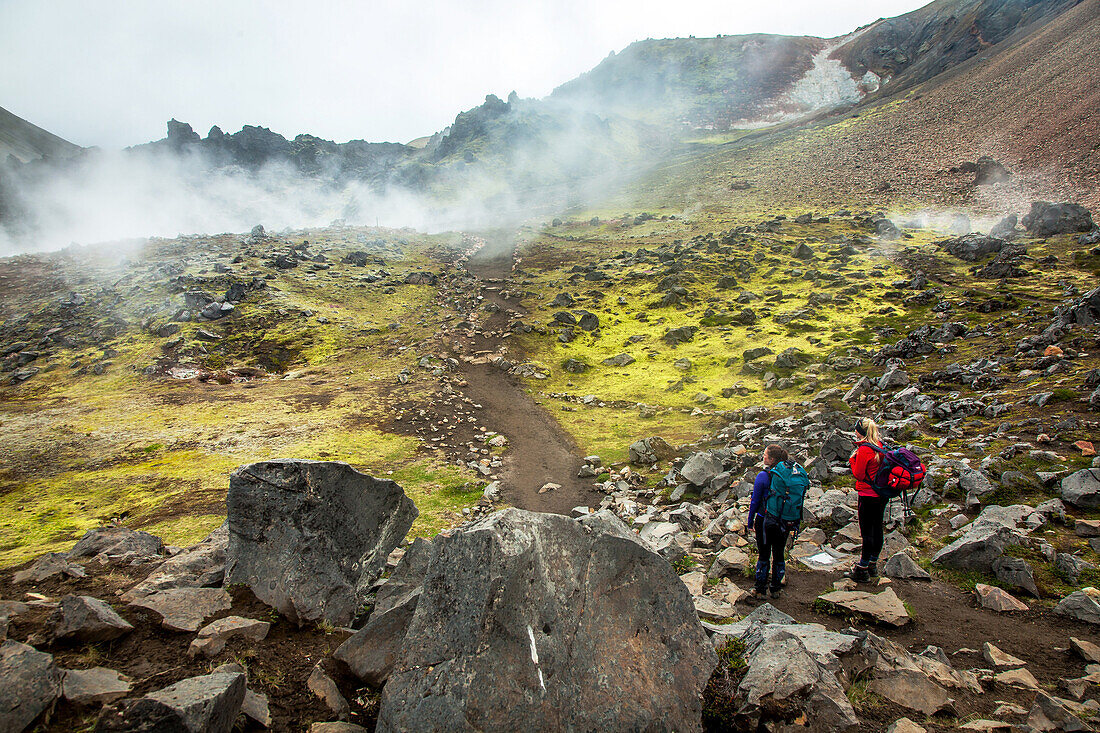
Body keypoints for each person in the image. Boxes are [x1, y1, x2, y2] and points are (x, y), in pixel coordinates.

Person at [746, 444, 807, 599]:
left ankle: (760, 589)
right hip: (785, 520)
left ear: (771, 459)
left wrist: (750, 520)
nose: (763, 456)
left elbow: (755, 501)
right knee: (779, 553)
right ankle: (776, 588)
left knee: (764, 554)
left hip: (764, 520)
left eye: (765, 454)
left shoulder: (763, 476)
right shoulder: (787, 476)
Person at [848, 417, 886, 583]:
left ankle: (862, 569)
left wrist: (852, 460)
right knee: (877, 528)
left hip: (867, 494)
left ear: (860, 432)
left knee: (867, 531)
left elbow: (859, 474)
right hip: (881, 494)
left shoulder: (864, 450)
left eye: (856, 429)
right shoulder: (879, 445)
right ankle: (873, 564)